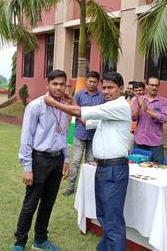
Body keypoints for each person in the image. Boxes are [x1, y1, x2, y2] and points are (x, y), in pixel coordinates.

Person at [44, 72, 131, 251]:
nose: (106, 91)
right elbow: (86, 121)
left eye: (111, 88)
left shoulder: (119, 106)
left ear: (120, 89)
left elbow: (83, 112)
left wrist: (55, 103)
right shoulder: (108, 109)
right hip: (103, 168)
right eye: (104, 87)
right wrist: (72, 102)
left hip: (114, 168)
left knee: (113, 221)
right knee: (104, 215)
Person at [12, 70, 70, 251]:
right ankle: (20, 242)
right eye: (55, 84)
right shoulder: (36, 106)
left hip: (57, 159)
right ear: (48, 85)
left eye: (62, 84)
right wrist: (27, 167)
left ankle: (40, 240)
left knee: (48, 203)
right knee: (30, 204)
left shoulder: (64, 107)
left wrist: (66, 158)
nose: (59, 87)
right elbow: (26, 138)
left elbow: (65, 134)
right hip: (40, 160)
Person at [63, 71, 105, 197]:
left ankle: (87, 189)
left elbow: (102, 115)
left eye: (94, 82)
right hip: (79, 133)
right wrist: (82, 123)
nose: (91, 84)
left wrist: (92, 124)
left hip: (94, 135)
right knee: (76, 161)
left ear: (98, 83)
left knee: (90, 163)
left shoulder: (102, 97)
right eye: (89, 81)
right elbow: (74, 111)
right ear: (86, 81)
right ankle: (71, 187)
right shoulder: (79, 95)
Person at [132, 76, 167, 163]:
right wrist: (139, 105)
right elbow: (134, 118)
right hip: (139, 141)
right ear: (146, 85)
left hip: (155, 143)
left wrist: (147, 110)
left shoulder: (163, 102)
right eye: (152, 85)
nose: (154, 87)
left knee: (156, 169)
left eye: (156, 85)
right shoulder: (138, 99)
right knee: (136, 168)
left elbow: (164, 118)